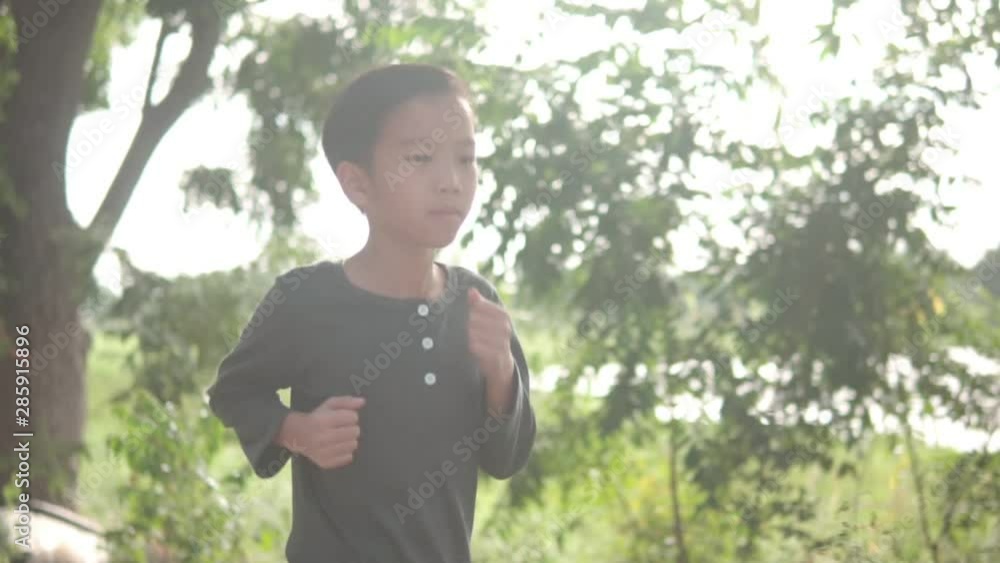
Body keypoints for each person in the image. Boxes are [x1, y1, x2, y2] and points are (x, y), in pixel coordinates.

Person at [206, 63, 536, 563]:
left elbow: (506, 458)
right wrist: (297, 430)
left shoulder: (477, 304)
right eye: (421, 158)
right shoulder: (306, 300)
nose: (451, 181)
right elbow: (233, 392)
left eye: (465, 159)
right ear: (358, 184)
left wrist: (500, 373)